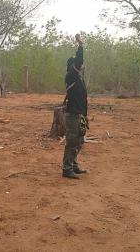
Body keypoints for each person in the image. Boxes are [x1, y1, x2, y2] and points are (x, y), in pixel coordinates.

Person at [62, 34, 88, 179]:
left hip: (79, 114)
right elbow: (79, 60)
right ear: (73, 66)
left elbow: (83, 98)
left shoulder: (78, 78)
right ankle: (66, 169)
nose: (80, 65)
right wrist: (80, 46)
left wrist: (85, 114)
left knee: (80, 141)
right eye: (77, 64)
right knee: (72, 142)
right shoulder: (71, 76)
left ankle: (73, 165)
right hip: (72, 115)